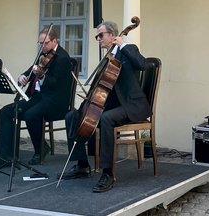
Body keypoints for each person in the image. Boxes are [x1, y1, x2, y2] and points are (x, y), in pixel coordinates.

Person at [62, 20, 153, 193]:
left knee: (106, 119)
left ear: (112, 35)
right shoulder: (109, 57)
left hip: (131, 104)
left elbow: (144, 65)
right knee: (71, 116)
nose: (98, 39)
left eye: (101, 35)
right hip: (112, 104)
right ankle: (82, 165)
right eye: (97, 36)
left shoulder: (128, 49)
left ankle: (108, 173)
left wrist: (123, 45)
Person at [0, 27, 72, 165]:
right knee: (6, 111)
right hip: (38, 98)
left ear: (54, 40)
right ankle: (7, 156)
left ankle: (41, 149)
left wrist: (42, 75)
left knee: (30, 114)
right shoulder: (43, 55)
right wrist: (22, 77)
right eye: (40, 43)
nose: (42, 46)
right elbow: (30, 71)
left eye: (45, 43)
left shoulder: (63, 58)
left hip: (54, 101)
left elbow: (56, 85)